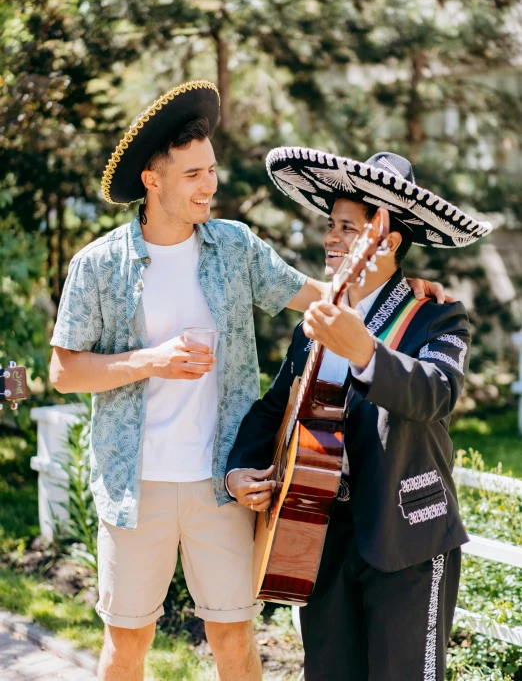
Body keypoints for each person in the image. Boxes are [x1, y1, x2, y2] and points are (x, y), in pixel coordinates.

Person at [49, 81, 444, 681]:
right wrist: (149, 361)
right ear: (152, 181)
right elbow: (63, 371)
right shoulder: (98, 264)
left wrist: (396, 284)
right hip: (134, 486)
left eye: (211, 170)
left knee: (234, 639)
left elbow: (319, 297)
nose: (210, 185)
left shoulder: (236, 247)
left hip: (222, 485)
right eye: (192, 175)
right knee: (127, 643)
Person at [226, 147, 491, 681]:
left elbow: (436, 394)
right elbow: (273, 409)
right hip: (316, 535)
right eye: (331, 225)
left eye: (347, 228)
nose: (330, 238)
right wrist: (238, 471)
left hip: (407, 538)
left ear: (385, 241)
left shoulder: (437, 316)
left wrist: (364, 350)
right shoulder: (316, 323)